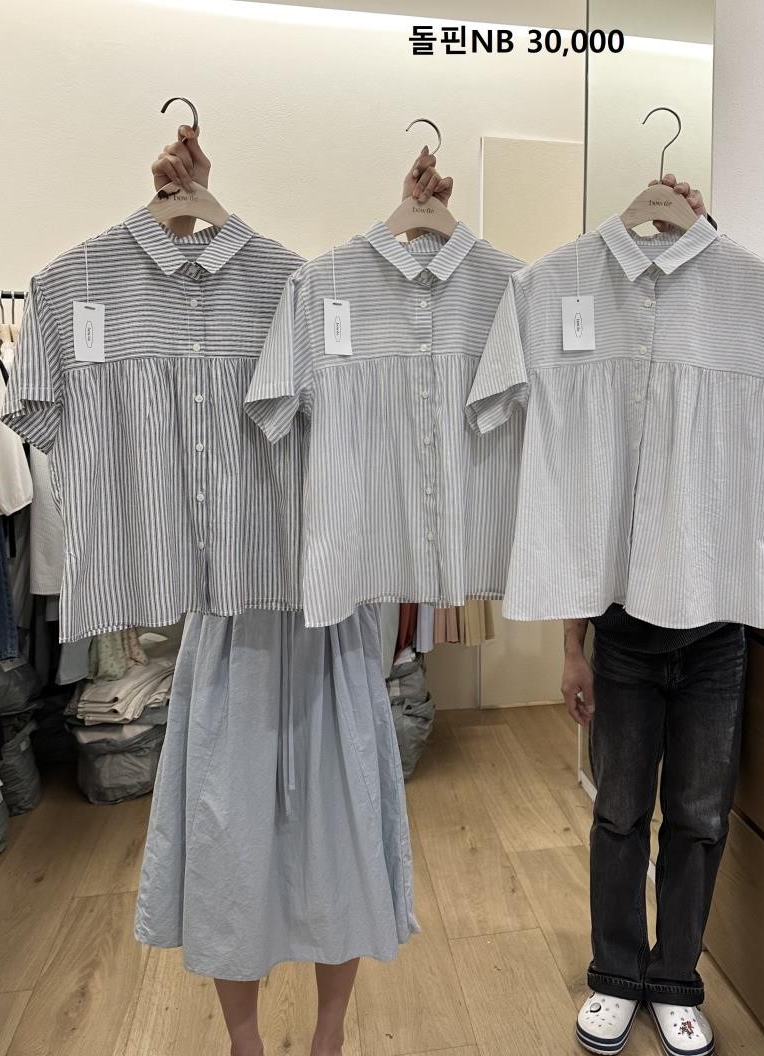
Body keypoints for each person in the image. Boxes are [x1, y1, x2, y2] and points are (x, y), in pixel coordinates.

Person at [138, 130, 451, 1056]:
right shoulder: (203, 312)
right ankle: (243, 1041)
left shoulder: (330, 302)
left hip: (331, 615)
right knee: (227, 835)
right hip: (234, 616)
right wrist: (185, 214)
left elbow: (416, 332)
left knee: (340, 828)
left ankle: (329, 1034)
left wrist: (416, 228)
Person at [563, 181, 732, 1056]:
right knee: (620, 811)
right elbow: (577, 512)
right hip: (622, 627)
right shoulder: (586, 302)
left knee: (698, 817)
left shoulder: (739, 300)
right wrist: (572, 647)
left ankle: (673, 979)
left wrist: (715, 241)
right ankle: (615, 975)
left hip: (715, 632)